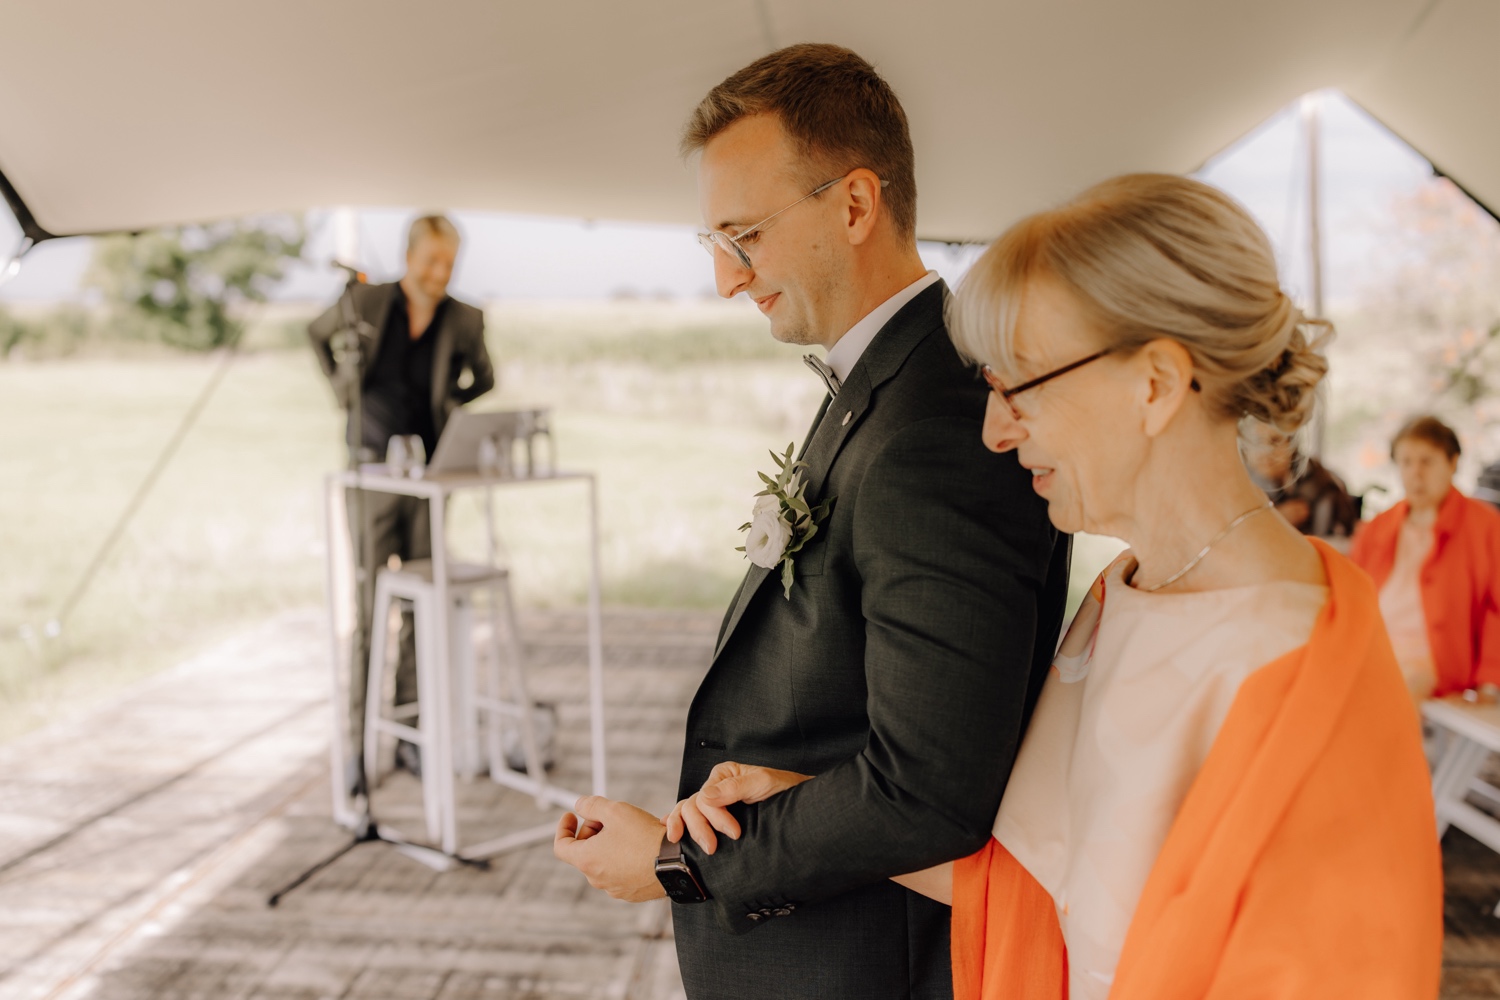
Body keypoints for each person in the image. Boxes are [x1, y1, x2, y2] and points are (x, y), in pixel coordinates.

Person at [672, 174, 1443, 998]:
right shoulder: (1128, 589)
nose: (995, 433)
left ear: (1153, 384)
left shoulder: (1300, 663)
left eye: (1018, 386)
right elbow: (1052, 894)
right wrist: (796, 802)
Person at [552, 43, 1071, 999]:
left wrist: (680, 861)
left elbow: (929, 788)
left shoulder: (939, 424)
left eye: (742, 234)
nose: (726, 278)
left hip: (869, 964)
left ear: (856, 204)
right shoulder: (890, 380)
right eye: (713, 242)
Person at [308, 214, 495, 783]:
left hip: (429, 478)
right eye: (432, 260)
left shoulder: (465, 318)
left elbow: (484, 379)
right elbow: (315, 335)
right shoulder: (365, 301)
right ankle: (359, 747)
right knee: (369, 608)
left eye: (449, 262)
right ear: (409, 256)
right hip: (369, 473)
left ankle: (410, 734)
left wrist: (449, 408)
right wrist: (343, 391)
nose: (441, 273)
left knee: (420, 604)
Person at [1351, 415, 1500, 703]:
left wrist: (1491, 680)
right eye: (1406, 462)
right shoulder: (1377, 527)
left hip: (1433, 661)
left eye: (1426, 461)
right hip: (1374, 648)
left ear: (1452, 463)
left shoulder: (1486, 527)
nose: (1415, 473)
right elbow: (1352, 597)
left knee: (1384, 696)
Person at [1242, 420, 1359, 539]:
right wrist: (1277, 519)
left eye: (1275, 441)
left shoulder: (1320, 484)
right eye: (1257, 442)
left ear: (1291, 445)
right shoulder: (1242, 483)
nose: (1265, 451)